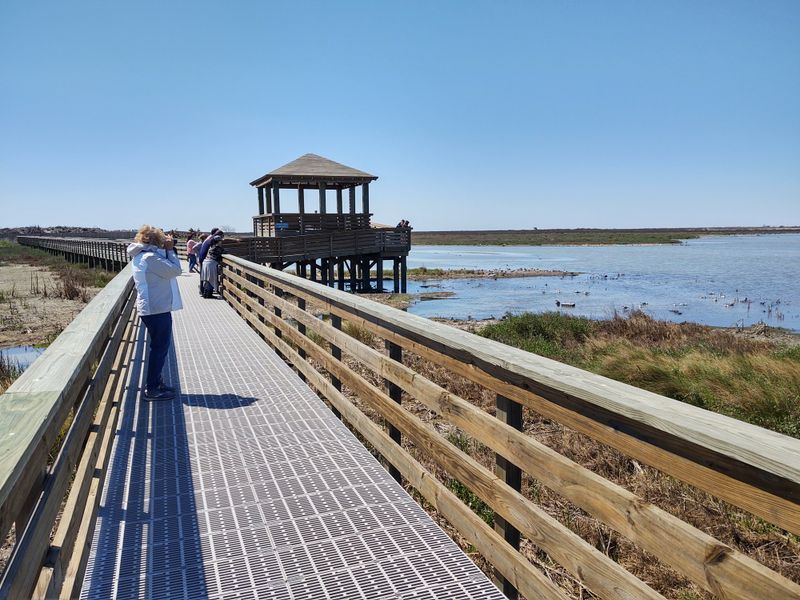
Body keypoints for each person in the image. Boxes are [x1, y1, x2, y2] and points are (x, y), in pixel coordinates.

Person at [127, 225, 183, 400]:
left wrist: (166, 249)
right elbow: (175, 270)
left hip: (154, 308)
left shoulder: (142, 254)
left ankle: (156, 383)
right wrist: (170, 249)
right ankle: (152, 389)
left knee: (159, 348)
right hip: (156, 309)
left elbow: (166, 269)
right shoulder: (150, 257)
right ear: (155, 241)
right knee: (159, 348)